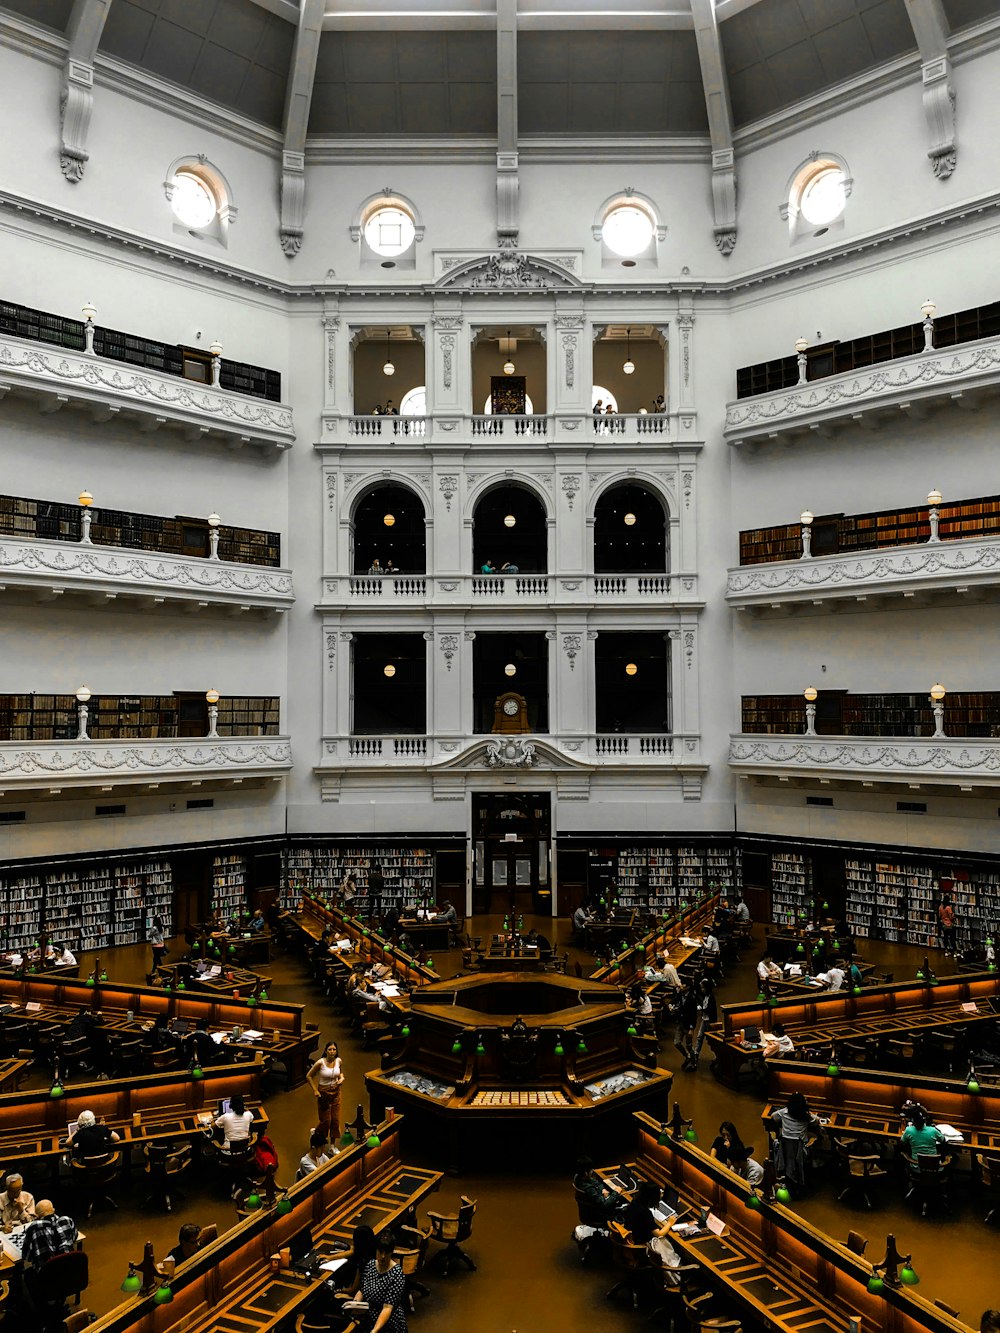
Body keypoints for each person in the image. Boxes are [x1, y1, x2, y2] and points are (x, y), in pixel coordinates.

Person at [355, 1227, 408, 1332]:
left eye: (387, 1253)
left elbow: (387, 1308)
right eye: (380, 1252)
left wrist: (375, 1330)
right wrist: (355, 1304)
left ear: (391, 1252)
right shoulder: (370, 1265)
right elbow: (362, 1290)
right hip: (369, 1318)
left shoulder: (396, 1274)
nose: (383, 1256)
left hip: (389, 1324)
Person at [771, 1091, 821, 1191]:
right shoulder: (806, 1116)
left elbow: (773, 1116)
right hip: (801, 1151)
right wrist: (809, 1112)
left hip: (784, 1151)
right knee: (818, 1138)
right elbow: (817, 1121)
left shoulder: (783, 1112)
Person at [21, 1199, 77, 1271]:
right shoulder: (67, 1220)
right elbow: (74, 1237)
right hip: (70, 1269)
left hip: (47, 1275)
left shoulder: (34, 1226)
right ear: (53, 1210)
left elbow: (26, 1256)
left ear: (37, 1216)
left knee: (27, 1273)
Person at [307, 1041, 344, 1141]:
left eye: (334, 1049)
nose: (332, 1052)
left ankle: (332, 1145)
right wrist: (315, 1090)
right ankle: (318, 1136)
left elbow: (340, 1072)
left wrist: (341, 1078)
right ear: (326, 1051)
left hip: (336, 1092)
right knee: (326, 1121)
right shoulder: (320, 1063)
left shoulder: (338, 1061)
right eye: (330, 1049)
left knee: (335, 1120)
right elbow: (309, 1076)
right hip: (324, 1093)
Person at [572, 1156, 621, 1221]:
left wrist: (602, 1189)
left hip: (587, 1211)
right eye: (591, 1170)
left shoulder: (577, 1177)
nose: (592, 1171)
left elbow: (596, 1182)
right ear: (586, 1173)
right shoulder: (590, 1189)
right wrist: (616, 1192)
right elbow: (605, 1204)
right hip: (596, 1214)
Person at [688, 976, 717, 1069]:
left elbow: (710, 1010)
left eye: (703, 988)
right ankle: (696, 1053)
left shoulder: (711, 998)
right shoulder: (705, 996)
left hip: (709, 1021)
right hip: (704, 1020)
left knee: (711, 1040)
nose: (702, 989)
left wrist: (702, 1009)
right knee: (699, 1037)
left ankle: (717, 1055)